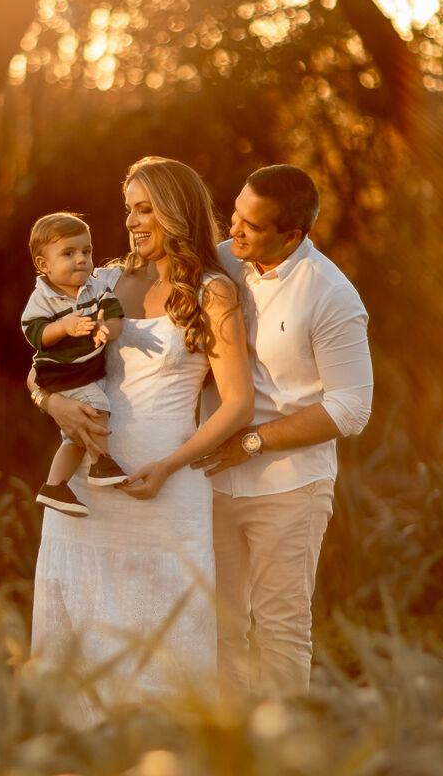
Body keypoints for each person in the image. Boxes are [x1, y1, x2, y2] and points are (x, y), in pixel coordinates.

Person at [28, 157, 253, 725]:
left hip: (166, 488)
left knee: (163, 632)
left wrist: (171, 466)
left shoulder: (211, 290)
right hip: (86, 482)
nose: (131, 221)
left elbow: (239, 404)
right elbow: (40, 367)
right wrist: (54, 403)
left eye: (145, 208)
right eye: (128, 208)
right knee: (79, 627)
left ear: (176, 212)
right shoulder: (100, 280)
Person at [192, 165, 373, 697]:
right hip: (212, 481)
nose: (234, 232)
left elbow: (351, 409)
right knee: (218, 627)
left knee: (281, 630)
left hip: (289, 488)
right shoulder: (224, 260)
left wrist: (252, 442)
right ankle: (230, 753)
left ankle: (284, 758)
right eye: (235, 215)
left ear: (292, 236)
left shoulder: (331, 295)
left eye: (252, 225)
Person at [22, 212, 128, 516]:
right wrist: (64, 327)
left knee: (74, 437)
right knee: (97, 408)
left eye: (86, 251)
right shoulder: (42, 298)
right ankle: (101, 464)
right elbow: (35, 334)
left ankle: (55, 486)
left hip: (85, 372)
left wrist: (106, 329)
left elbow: (114, 316)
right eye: (69, 253)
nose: (81, 259)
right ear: (44, 265)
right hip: (61, 374)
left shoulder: (96, 289)